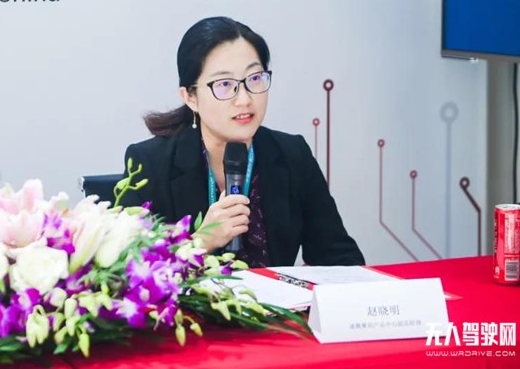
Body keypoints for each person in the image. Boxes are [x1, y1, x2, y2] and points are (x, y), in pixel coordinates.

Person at [120, 16, 364, 267]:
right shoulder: (150, 164)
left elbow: (341, 258)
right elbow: (130, 273)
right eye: (225, 84)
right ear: (190, 97)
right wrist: (200, 242)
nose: (245, 99)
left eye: (255, 78)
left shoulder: (292, 155)